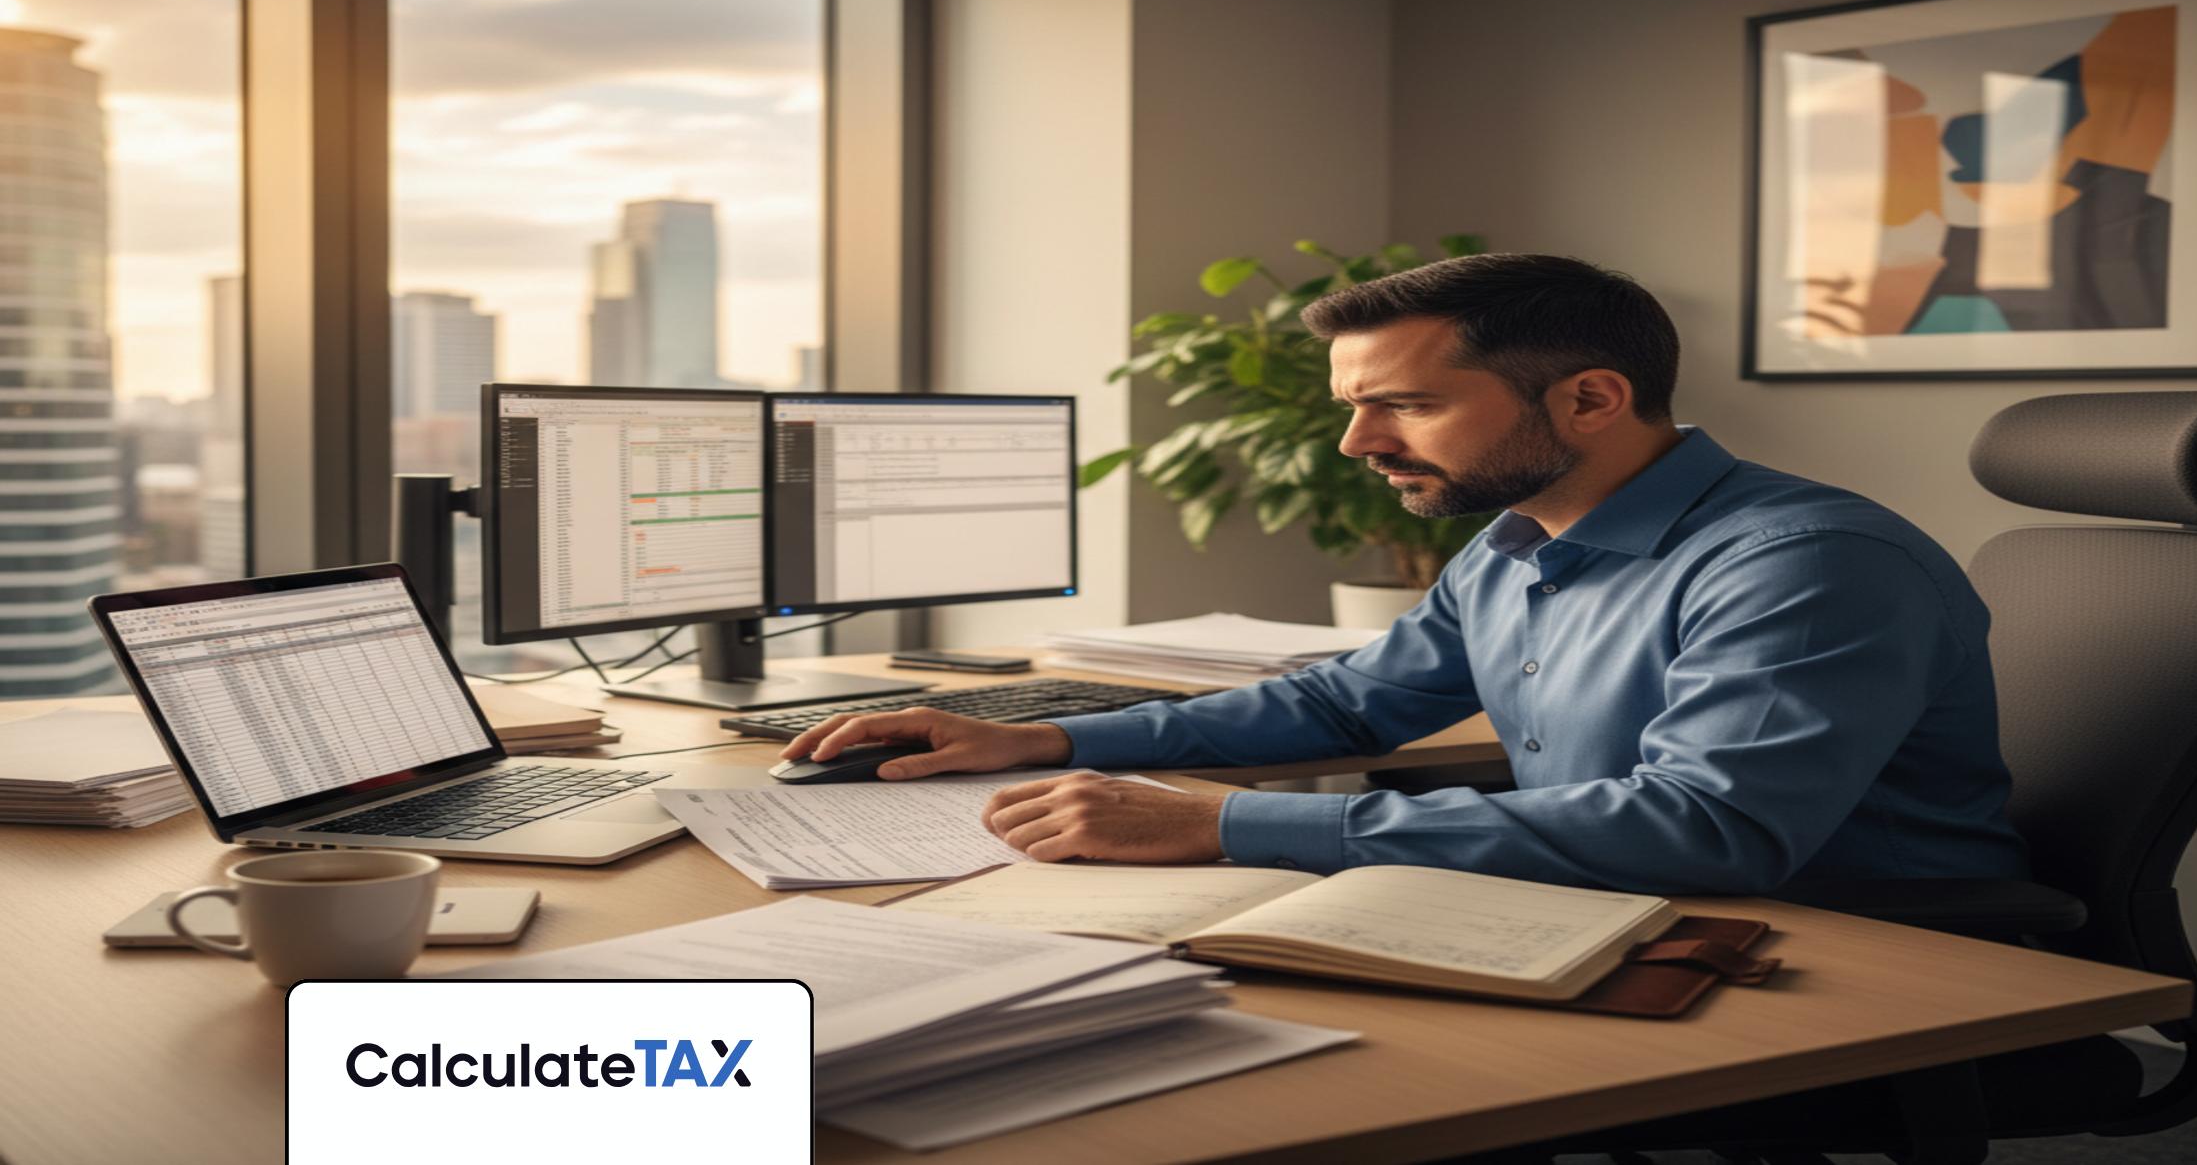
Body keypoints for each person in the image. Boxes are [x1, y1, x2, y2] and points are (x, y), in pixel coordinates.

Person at [780, 254, 2031, 895]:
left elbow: (1709, 830)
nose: (1355, 446)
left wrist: (1220, 820)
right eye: (1352, 407)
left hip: (1823, 946)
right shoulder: (1519, 538)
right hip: (1604, 903)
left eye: (1404, 406)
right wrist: (1043, 745)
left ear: (1589, 399)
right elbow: (1342, 707)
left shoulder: (1802, 567)